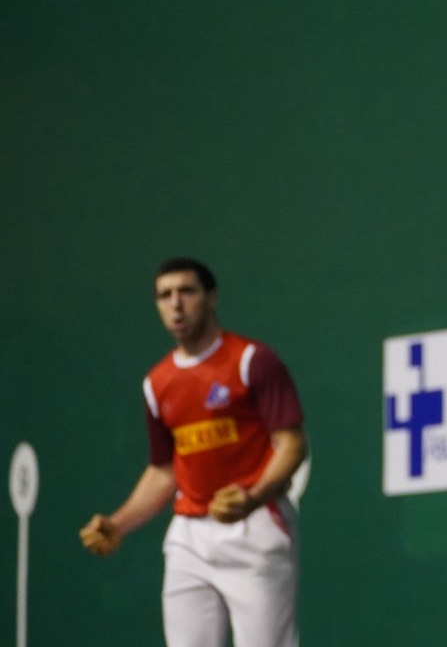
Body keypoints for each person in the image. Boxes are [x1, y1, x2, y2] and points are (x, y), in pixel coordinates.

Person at [80, 257, 308, 647]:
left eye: (187, 291)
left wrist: (251, 497)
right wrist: (118, 524)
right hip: (188, 536)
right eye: (165, 295)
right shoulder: (157, 383)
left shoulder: (251, 361)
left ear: (211, 298)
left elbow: (291, 445)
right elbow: (164, 470)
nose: (176, 304)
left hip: (255, 532)